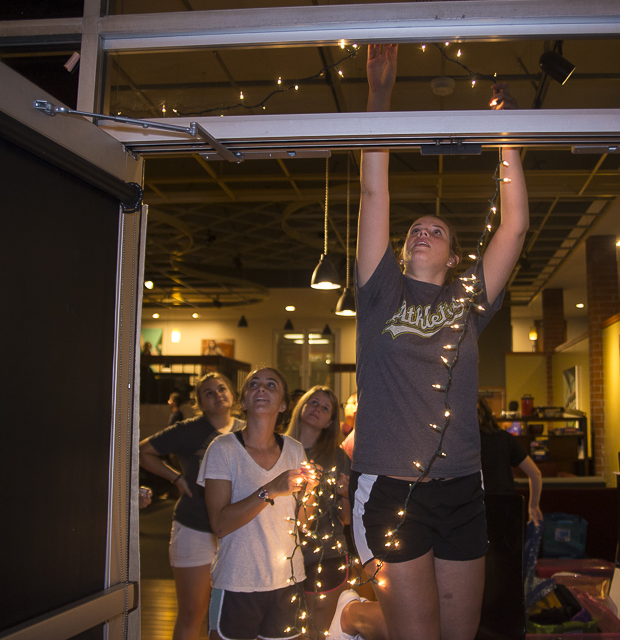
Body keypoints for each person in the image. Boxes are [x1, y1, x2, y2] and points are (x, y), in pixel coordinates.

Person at [350, 43, 529, 640]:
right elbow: (374, 193)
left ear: (454, 257)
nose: (424, 233)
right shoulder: (380, 294)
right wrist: (380, 92)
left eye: (438, 231)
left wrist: (507, 139)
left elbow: (515, 226)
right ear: (403, 250)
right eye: (415, 230)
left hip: (462, 492)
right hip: (393, 490)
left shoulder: (466, 300)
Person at [199, 367, 317, 640]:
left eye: (271, 385)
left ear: (284, 404)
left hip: (288, 580)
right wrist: (271, 489)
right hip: (237, 581)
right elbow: (219, 524)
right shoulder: (223, 448)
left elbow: (303, 523)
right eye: (254, 384)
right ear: (243, 400)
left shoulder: (295, 449)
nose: (261, 389)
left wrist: (311, 490)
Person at [139, 372, 243, 640]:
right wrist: (175, 477)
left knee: (230, 616)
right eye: (209, 393)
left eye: (221, 389)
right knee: (192, 614)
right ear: (200, 402)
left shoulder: (247, 429)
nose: (217, 395)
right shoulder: (188, 430)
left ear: (232, 394)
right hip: (194, 529)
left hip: (237, 533)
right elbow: (143, 451)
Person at [284, 386, 355, 637]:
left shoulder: (337, 458)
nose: (317, 409)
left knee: (318, 632)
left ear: (330, 422)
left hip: (325, 558)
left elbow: (345, 519)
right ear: (301, 406)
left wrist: (345, 493)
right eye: (313, 402)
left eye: (325, 408)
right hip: (280, 559)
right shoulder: (276, 448)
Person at [477, 398, 543, 526]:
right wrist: (533, 506)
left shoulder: (465, 443)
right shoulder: (504, 438)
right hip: (506, 508)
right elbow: (536, 474)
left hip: (475, 510)